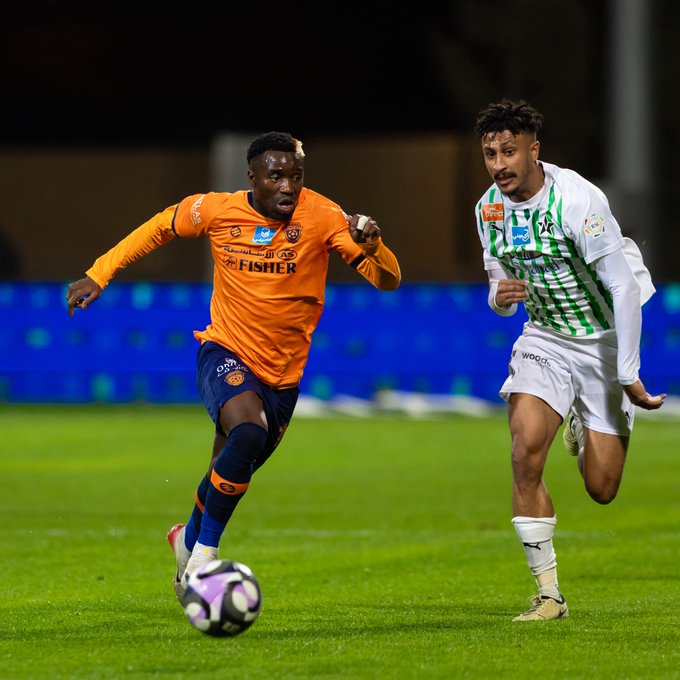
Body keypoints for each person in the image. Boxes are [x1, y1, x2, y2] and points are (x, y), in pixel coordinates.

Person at [66, 131, 401, 600]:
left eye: (296, 177)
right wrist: (99, 273)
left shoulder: (324, 216)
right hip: (225, 351)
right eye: (276, 176)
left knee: (228, 469)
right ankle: (204, 558)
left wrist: (374, 246)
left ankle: (186, 542)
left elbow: (387, 281)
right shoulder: (218, 210)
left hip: (282, 378)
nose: (288, 186)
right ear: (252, 177)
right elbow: (160, 226)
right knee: (247, 433)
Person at [473, 99, 666, 622]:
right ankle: (549, 596)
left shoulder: (578, 199)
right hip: (545, 337)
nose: (498, 164)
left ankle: (581, 421)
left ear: (533, 150)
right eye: (490, 153)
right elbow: (498, 283)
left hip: (603, 339)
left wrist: (627, 372)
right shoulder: (489, 209)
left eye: (509, 151)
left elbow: (623, 289)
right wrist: (498, 296)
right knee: (523, 453)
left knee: (602, 489)